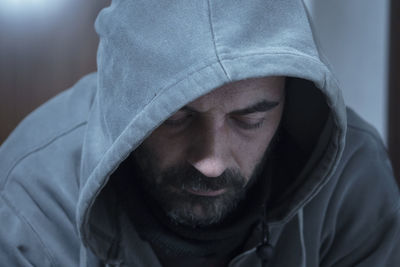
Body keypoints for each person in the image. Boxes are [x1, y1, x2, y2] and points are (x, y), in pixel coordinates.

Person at [0, 0, 399, 266]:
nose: (211, 162)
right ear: (124, 102)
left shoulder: (353, 182)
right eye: (175, 118)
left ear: (290, 100)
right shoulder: (31, 201)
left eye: (249, 120)